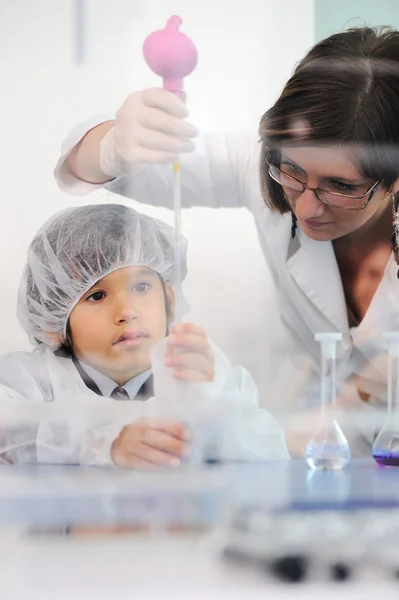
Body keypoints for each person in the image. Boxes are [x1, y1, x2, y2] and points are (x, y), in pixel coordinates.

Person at [54, 25, 399, 456]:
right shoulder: (259, 165)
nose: (306, 208)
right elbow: (115, 171)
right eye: (292, 171)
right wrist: (113, 146)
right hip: (302, 450)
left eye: (341, 187)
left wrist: (326, 422)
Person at [0, 203, 288, 467]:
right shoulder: (29, 380)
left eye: (140, 287)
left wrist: (207, 403)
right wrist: (105, 440)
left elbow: (268, 451)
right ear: (54, 321)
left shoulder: (197, 369)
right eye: (97, 296)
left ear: (170, 300)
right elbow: (9, 431)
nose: (127, 311)